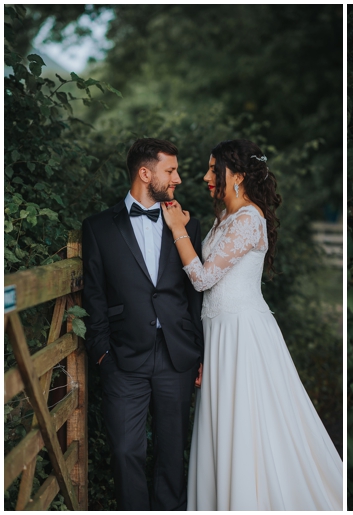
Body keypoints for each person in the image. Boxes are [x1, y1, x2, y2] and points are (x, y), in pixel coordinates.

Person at [161, 139, 343, 510]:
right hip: (219, 334)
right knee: (223, 425)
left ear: (239, 176)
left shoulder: (248, 218)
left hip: (243, 335)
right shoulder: (223, 218)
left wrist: (177, 228)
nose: (206, 176)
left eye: (215, 170)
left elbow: (202, 279)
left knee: (248, 423)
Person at [81, 138, 204, 510]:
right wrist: (102, 352)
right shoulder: (98, 227)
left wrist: (198, 351)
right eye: (171, 170)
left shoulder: (188, 224)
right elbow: (95, 296)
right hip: (121, 358)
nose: (178, 179)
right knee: (124, 452)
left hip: (176, 357)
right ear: (145, 173)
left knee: (171, 456)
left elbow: (194, 294)